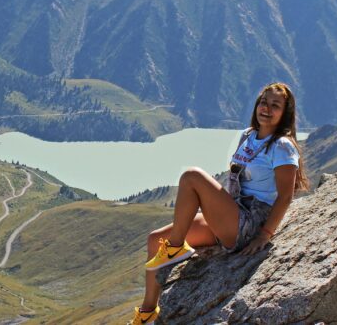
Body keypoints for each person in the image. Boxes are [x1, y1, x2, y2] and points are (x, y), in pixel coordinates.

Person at [130, 82, 310, 325]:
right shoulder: (248, 136)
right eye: (263, 102)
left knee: (192, 176)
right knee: (154, 240)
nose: (266, 108)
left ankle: (175, 248)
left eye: (275, 105)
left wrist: (264, 235)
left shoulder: (282, 147)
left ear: (285, 113)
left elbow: (286, 196)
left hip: (249, 223)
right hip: (232, 215)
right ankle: (147, 314)